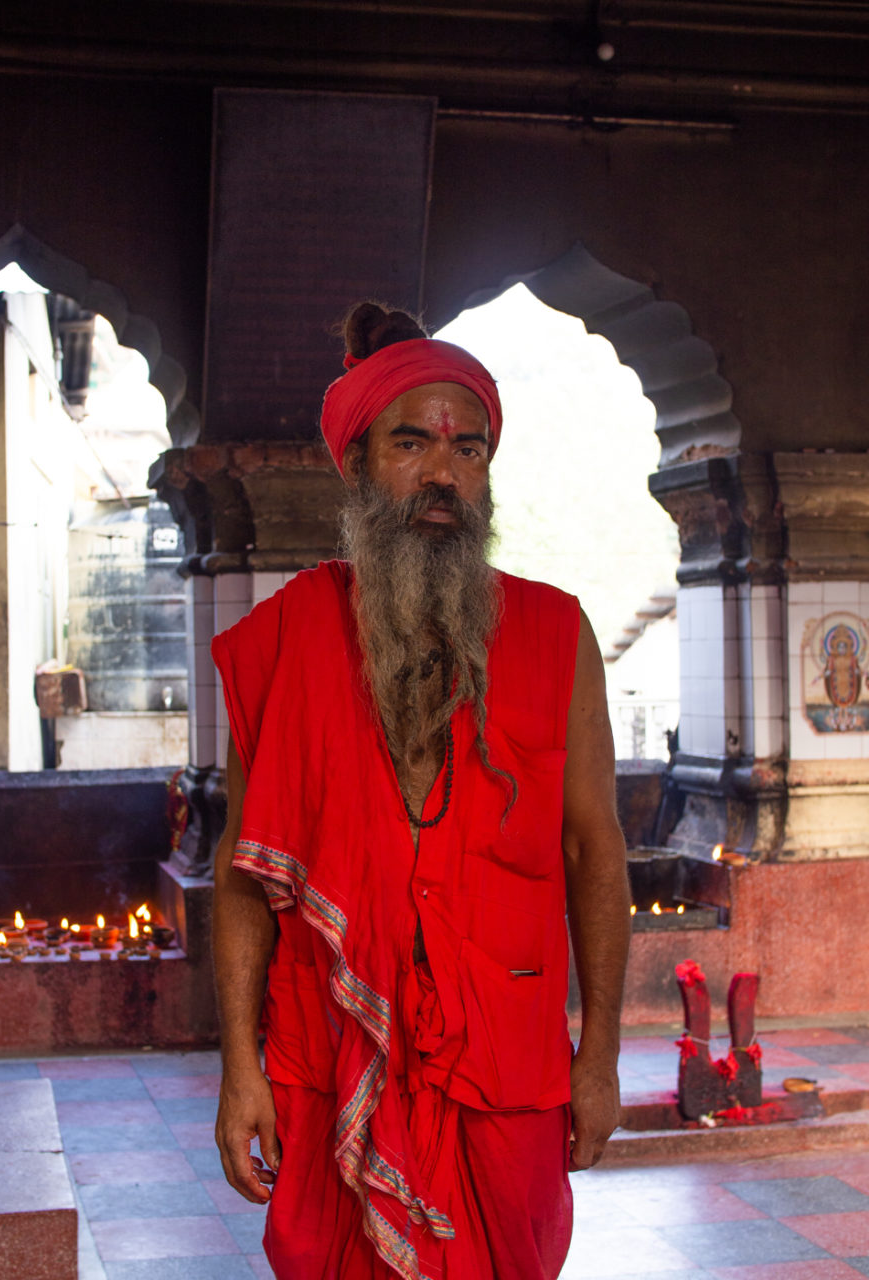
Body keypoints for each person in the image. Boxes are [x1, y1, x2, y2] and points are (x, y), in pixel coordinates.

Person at [210, 301, 631, 1279]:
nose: (445, 471)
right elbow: (246, 874)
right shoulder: (280, 644)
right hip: (327, 1056)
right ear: (355, 463)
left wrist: (602, 1053)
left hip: (505, 1060)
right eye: (412, 442)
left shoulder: (557, 634)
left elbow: (593, 849)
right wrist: (239, 1062)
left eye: (469, 448)